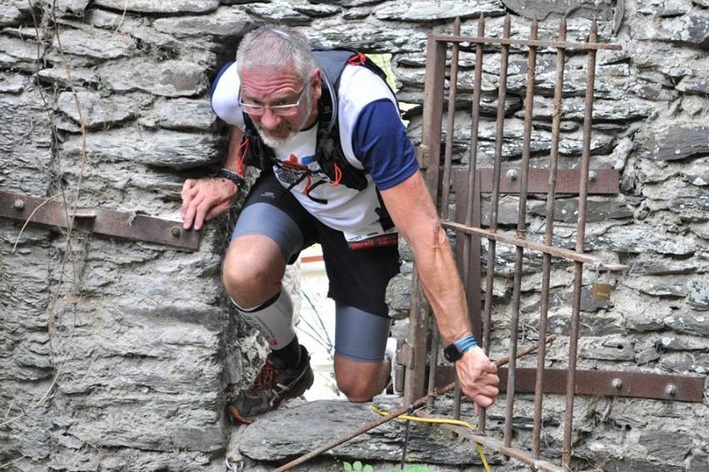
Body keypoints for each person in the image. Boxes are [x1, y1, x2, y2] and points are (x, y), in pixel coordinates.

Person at [180, 26, 499, 423]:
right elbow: (240, 120)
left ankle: (383, 359)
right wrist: (231, 175)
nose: (269, 119)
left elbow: (425, 234)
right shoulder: (233, 91)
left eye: (283, 103)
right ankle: (288, 361)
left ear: (315, 86)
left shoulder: (366, 111)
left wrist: (462, 347)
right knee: (243, 271)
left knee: (357, 387)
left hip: (363, 222)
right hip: (293, 190)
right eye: (255, 103)